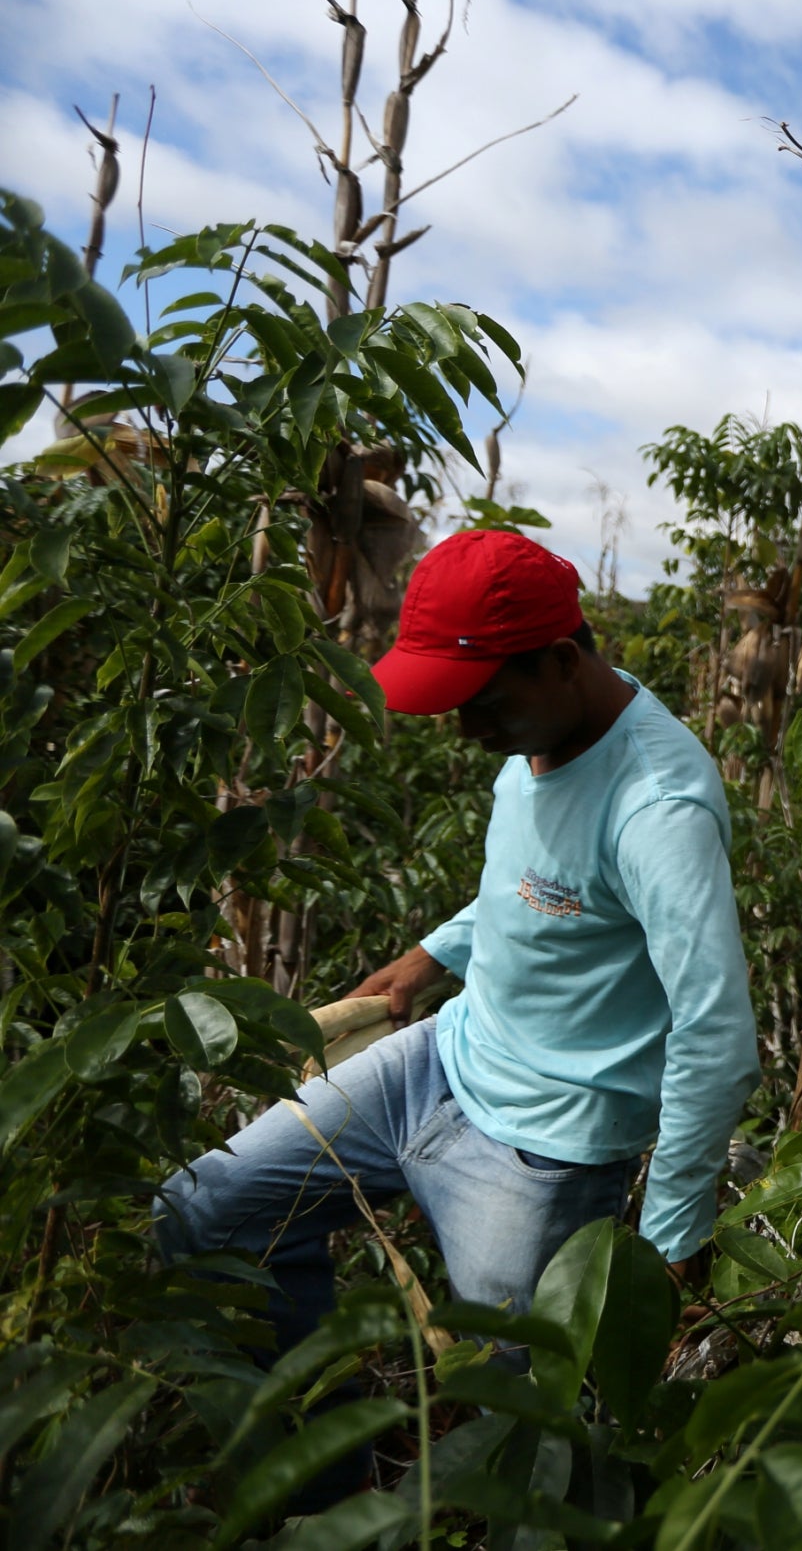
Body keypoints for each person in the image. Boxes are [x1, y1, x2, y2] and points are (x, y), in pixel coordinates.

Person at [158, 530, 760, 1404]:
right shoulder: (541, 733)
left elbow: (717, 1034)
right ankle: (332, 1479)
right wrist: (430, 956)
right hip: (438, 1060)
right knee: (203, 1214)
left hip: (542, 1154)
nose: (469, 732)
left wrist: (670, 1238)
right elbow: (539, 888)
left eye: (482, 704)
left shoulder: (657, 808)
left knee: (520, 1418)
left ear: (559, 661)